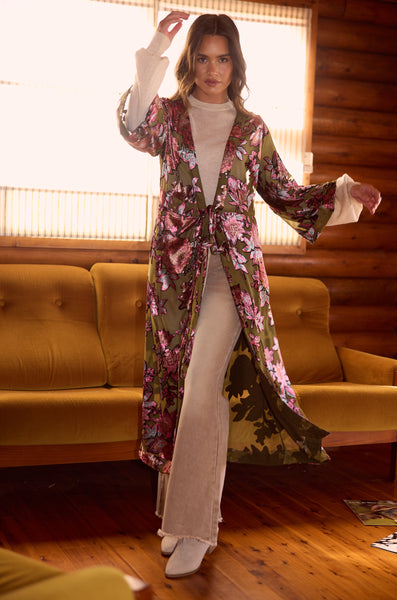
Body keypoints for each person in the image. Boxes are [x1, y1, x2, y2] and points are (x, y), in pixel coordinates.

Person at [117, 11, 381, 578]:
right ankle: (181, 518)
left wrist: (345, 194)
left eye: (223, 58)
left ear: (236, 65)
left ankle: (194, 529)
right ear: (191, 62)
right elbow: (132, 123)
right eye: (203, 58)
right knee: (181, 387)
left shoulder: (252, 128)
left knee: (200, 386)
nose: (213, 69)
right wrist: (156, 45)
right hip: (175, 275)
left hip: (232, 277)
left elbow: (286, 194)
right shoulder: (168, 118)